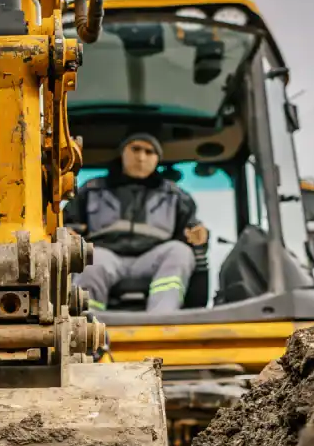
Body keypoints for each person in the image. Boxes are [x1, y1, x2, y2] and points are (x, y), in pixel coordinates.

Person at [62, 132, 210, 312]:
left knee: (180, 252)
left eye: (149, 152)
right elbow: (69, 223)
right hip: (107, 254)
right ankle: (87, 321)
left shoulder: (176, 196)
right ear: (122, 152)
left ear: (157, 159)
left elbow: (190, 231)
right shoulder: (92, 190)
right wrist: (69, 232)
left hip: (152, 257)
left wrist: (198, 236)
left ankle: (162, 318)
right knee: (91, 259)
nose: (141, 157)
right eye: (135, 149)